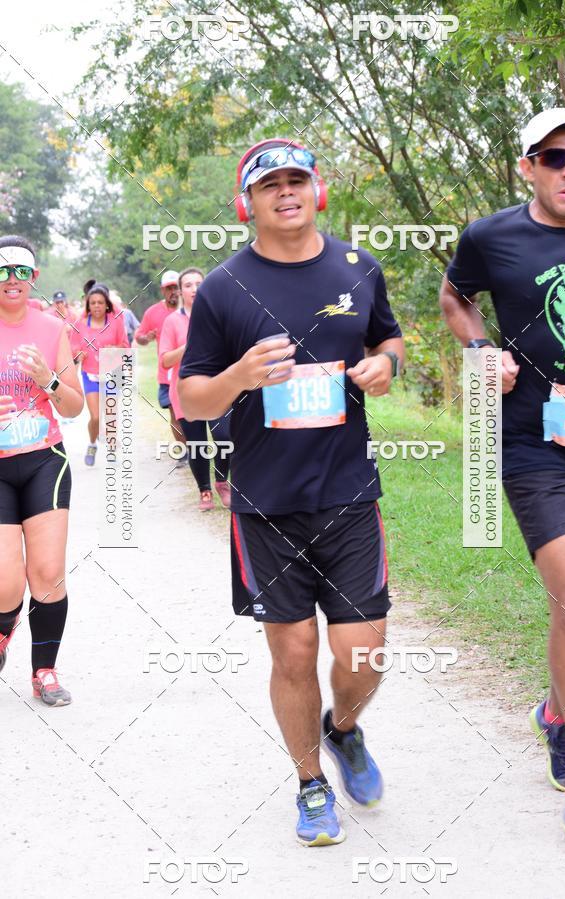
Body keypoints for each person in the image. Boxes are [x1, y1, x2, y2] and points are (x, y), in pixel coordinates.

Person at [179, 139, 403, 845]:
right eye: (268, 184)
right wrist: (239, 376)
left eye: (296, 180)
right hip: (265, 504)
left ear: (317, 190)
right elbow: (191, 398)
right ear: (247, 202)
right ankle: (310, 784)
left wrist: (384, 366)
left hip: (349, 495)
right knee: (295, 653)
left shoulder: (358, 268)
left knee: (364, 653)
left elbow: (391, 341)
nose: (285, 192)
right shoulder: (224, 287)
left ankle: (345, 729)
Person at [439, 107, 565, 836]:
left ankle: (558, 711)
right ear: (528, 166)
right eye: (554, 157)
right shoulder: (491, 236)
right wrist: (480, 350)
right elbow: (454, 296)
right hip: (535, 441)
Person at [0, 235, 84, 705]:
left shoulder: (52, 329)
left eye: (20, 271)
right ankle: (3, 628)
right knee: (4, 584)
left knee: (48, 573)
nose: (11, 280)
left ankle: (44, 672)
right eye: (2, 270)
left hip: (43, 461)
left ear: (33, 277)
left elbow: (72, 405)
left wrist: (46, 380)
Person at [159, 268, 231, 510]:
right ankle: (205, 491)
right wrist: (190, 345)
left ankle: (222, 482)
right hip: (185, 391)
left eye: (199, 284)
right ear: (180, 291)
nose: (194, 289)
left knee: (224, 436)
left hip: (217, 387)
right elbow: (165, 360)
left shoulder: (218, 315)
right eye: (188, 285)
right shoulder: (172, 321)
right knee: (197, 443)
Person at [71, 282, 129, 466]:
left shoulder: (116, 322)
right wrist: (78, 355)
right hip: (90, 374)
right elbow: (73, 350)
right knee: (95, 417)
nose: (96, 306)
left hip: (112, 372)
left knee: (110, 415)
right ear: (88, 305)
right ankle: (92, 444)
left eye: (100, 302)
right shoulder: (80, 324)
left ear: (106, 305)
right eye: (93, 303)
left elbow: (126, 346)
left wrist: (115, 348)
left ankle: (112, 450)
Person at [135, 270, 180, 442]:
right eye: (169, 288)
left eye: (176, 287)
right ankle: (185, 452)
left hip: (191, 371)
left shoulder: (192, 309)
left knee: (194, 417)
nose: (173, 292)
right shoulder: (153, 312)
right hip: (167, 374)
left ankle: (195, 450)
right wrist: (146, 338)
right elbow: (139, 337)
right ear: (162, 290)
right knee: (175, 414)